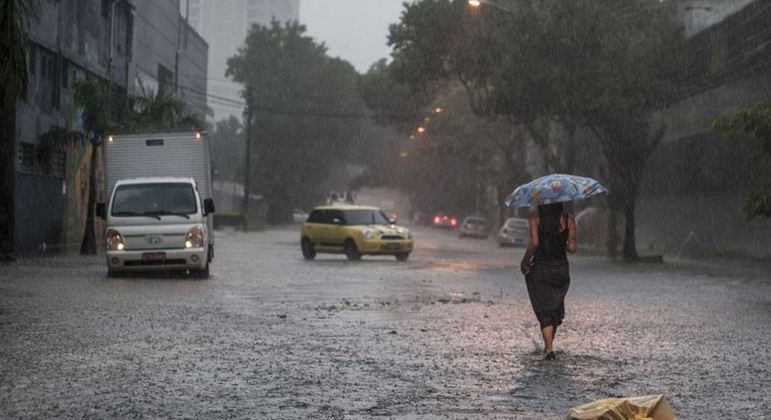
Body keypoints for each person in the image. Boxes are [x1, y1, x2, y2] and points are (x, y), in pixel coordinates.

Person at [520, 202, 577, 360]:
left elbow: (535, 243)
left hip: (541, 268)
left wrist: (524, 262)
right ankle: (549, 346)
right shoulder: (568, 219)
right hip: (561, 269)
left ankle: (548, 349)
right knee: (554, 307)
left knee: (544, 309)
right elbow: (572, 247)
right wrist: (560, 242)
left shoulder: (535, 217)